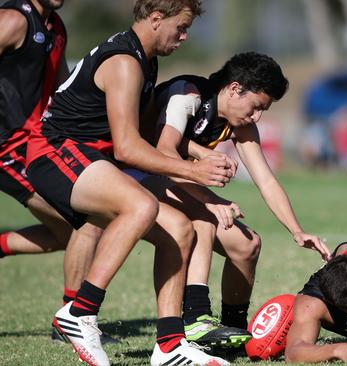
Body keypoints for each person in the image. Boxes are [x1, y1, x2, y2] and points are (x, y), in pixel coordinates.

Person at [25, 1, 235, 365]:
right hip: (55, 152)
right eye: (180, 27)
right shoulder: (124, 61)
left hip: (94, 159)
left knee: (180, 229)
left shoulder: (145, 60)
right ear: (156, 19)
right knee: (141, 205)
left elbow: (141, 142)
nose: (184, 37)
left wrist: (195, 158)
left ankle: (170, 345)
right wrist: (192, 171)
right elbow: (127, 146)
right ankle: (80, 311)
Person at [148, 51, 331, 346]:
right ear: (235, 88)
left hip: (181, 186)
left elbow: (266, 180)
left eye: (264, 111)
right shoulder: (188, 95)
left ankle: (232, 332)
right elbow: (163, 155)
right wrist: (209, 198)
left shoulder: (238, 124)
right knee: (204, 219)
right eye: (256, 107)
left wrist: (297, 231)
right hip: (141, 177)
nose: (257, 117)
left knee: (248, 245)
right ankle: (196, 318)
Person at [0, 0, 112, 344]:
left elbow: (63, 84)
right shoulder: (16, 19)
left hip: (35, 141)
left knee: (71, 234)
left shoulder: (55, 26)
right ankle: (71, 320)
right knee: (86, 218)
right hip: (7, 146)